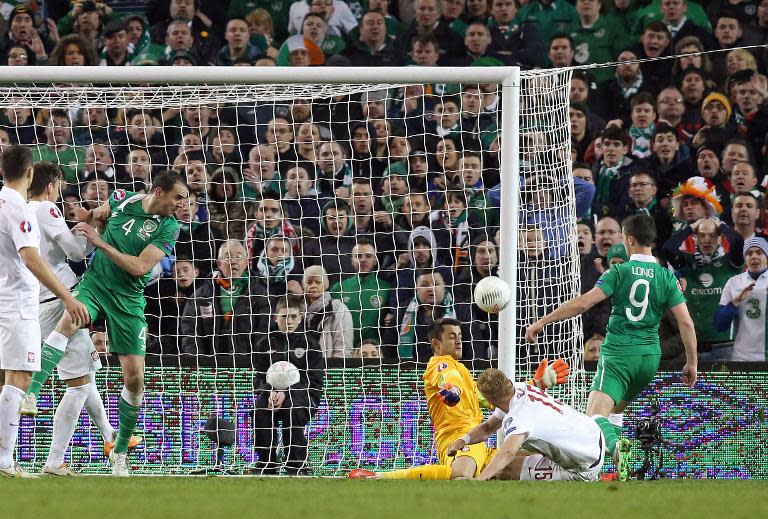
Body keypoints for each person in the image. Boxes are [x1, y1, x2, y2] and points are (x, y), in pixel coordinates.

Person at [525, 213, 698, 481]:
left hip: (619, 355)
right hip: (649, 358)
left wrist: (542, 322)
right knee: (615, 412)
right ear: (651, 240)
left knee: (594, 417)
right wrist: (692, 363)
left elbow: (583, 303)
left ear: (629, 239)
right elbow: (686, 323)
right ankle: (621, 470)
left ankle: (619, 450)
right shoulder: (667, 277)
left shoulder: (619, 271)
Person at [37, 171, 187, 477]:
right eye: (179, 197)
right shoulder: (122, 197)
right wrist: (91, 218)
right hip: (95, 284)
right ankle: (32, 389)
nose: (182, 204)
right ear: (159, 192)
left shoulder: (169, 227)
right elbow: (95, 217)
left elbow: (139, 268)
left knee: (134, 380)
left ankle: (118, 452)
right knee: (70, 319)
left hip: (129, 300)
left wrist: (99, 242)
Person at [22, 162, 140, 475]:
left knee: (86, 375)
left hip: (33, 300)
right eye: (59, 185)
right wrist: (92, 228)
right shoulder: (46, 209)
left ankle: (110, 438)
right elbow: (75, 253)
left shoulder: (16, 210)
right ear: (51, 185)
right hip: (62, 300)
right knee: (78, 384)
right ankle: (55, 462)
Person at [350, 318, 569, 480]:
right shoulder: (439, 364)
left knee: (540, 464)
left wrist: (535, 385)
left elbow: (492, 401)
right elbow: (448, 379)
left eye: (460, 336)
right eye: (452, 337)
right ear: (436, 344)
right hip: (457, 440)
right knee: (460, 477)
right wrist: (452, 392)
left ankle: (592, 473)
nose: (458, 341)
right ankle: (378, 477)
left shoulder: (462, 370)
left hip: (479, 443)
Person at [0, 146, 89, 478]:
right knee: (19, 377)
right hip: (18, 303)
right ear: (30, 174)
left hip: (4, 298)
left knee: (5, 378)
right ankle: (6, 461)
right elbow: (30, 256)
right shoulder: (19, 208)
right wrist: (68, 296)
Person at [448, 367, 605, 481]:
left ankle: (589, 477)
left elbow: (508, 452)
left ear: (489, 401)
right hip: (594, 432)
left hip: (584, 467)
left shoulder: (519, 417)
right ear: (508, 381)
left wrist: (480, 480)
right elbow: (488, 428)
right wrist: (463, 440)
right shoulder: (519, 388)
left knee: (505, 469)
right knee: (501, 459)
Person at [251, 295, 324, 475]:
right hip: (272, 395)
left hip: (303, 398)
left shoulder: (310, 344)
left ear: (300, 317)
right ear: (276, 317)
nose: (288, 321)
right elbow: (259, 377)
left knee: (294, 407)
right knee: (260, 407)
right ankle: (266, 461)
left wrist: (288, 393)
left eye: (293, 316)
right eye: (284, 316)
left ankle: (296, 462)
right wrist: (268, 392)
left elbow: (313, 382)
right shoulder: (264, 343)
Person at [664, 218, 743, 362]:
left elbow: (738, 241)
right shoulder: (687, 263)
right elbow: (667, 248)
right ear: (695, 237)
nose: (707, 239)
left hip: (724, 347)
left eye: (713, 235)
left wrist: (721, 226)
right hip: (692, 348)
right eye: (702, 235)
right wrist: (690, 228)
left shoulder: (730, 263)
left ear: (720, 237)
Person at [180, 240, 270, 355]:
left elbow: (264, 334)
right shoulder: (201, 295)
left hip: (247, 364)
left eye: (238, 257)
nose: (233, 261)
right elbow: (190, 332)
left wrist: (254, 362)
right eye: (227, 257)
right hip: (210, 364)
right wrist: (201, 363)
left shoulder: (260, 294)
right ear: (219, 264)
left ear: (247, 262)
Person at [715, 237, 768, 362]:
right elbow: (719, 325)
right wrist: (735, 302)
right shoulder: (734, 282)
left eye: (759, 252)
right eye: (749, 253)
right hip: (742, 357)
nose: (754, 256)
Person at [303, 265, 354, 358]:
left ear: (325, 284)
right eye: (309, 282)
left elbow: (343, 350)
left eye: (318, 282)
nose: (313, 285)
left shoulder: (339, 309)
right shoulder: (299, 310)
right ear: (304, 285)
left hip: (328, 368)